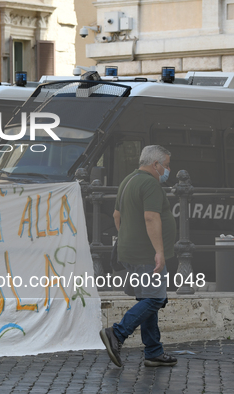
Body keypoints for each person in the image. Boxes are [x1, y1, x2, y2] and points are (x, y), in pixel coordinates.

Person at [100, 145, 177, 368]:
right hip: (146, 255)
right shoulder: (150, 183)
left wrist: (129, 237)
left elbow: (117, 216)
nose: (167, 170)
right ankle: (117, 333)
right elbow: (151, 218)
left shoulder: (128, 181)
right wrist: (159, 252)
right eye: (167, 165)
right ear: (156, 164)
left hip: (129, 251)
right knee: (156, 298)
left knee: (147, 299)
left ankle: (153, 351)